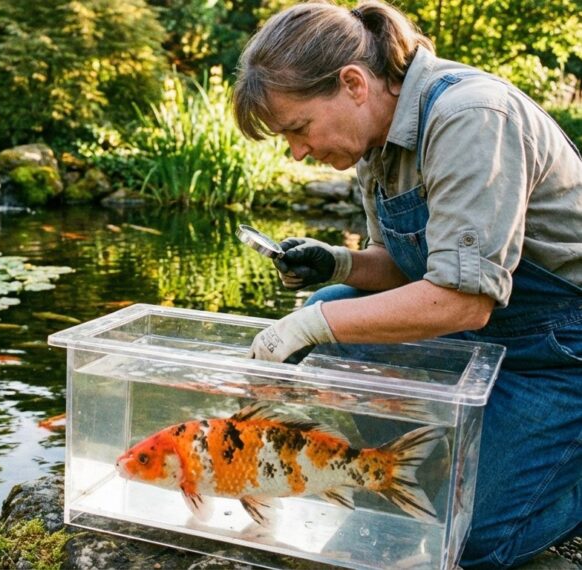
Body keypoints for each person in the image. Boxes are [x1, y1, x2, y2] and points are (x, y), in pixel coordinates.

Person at [233, 1, 581, 568]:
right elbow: (411, 267)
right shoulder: (377, 142)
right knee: (333, 307)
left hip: (562, 351)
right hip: (495, 334)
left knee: (465, 537)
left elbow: (461, 300)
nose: (298, 151)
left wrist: (306, 325)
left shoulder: (472, 117)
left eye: (298, 128)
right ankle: (428, 460)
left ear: (353, 83)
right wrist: (340, 265)